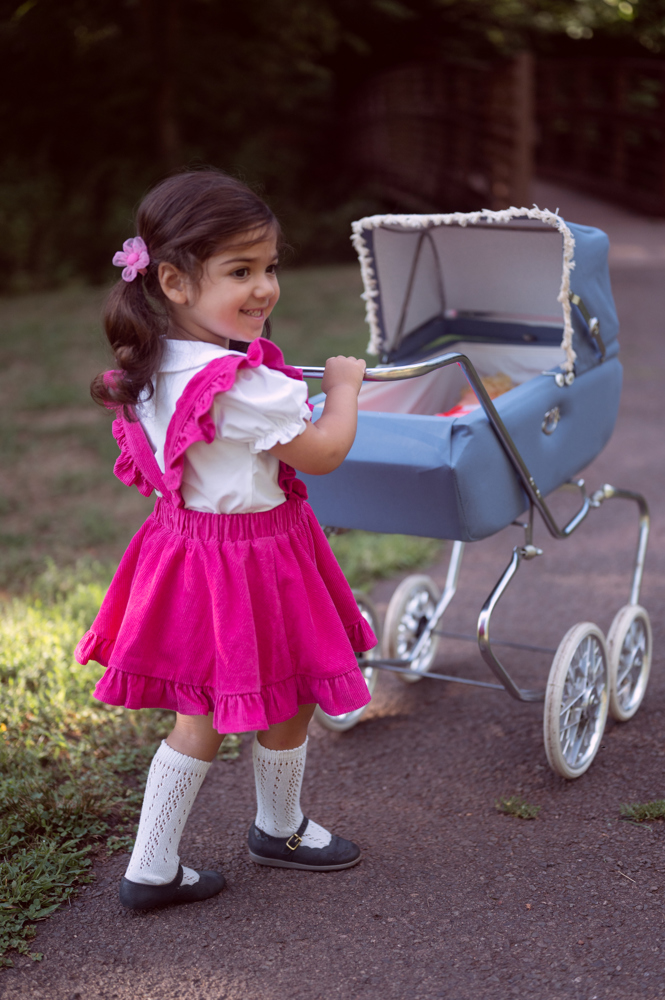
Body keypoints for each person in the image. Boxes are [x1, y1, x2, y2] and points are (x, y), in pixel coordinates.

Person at [75, 169, 376, 911]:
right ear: (173, 282)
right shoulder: (242, 384)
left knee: (200, 712)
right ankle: (279, 827)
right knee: (289, 691)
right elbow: (322, 452)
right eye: (240, 271)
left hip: (184, 553)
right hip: (255, 559)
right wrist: (342, 389)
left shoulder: (152, 365)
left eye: (269, 267)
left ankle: (154, 864)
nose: (264, 287)